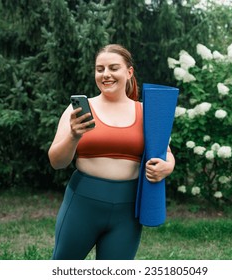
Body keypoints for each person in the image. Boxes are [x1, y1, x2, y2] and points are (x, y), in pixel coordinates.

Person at [48, 44, 175, 260]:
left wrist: (167, 167)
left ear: (129, 72)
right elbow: (56, 161)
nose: (106, 74)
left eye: (113, 68)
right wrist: (73, 135)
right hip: (82, 203)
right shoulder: (77, 110)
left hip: (128, 209)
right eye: (100, 69)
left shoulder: (147, 112)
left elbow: (167, 154)